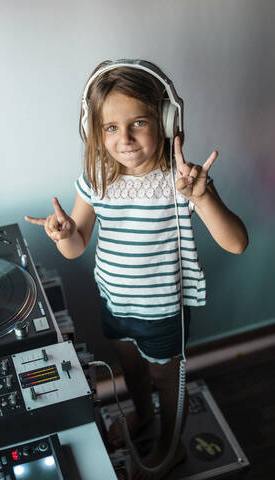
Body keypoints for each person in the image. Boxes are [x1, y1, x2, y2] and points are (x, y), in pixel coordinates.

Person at [25, 60, 248, 479]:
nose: (123, 139)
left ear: (165, 121)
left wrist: (203, 197)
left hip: (163, 311)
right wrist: (65, 233)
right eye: (110, 127)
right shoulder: (96, 178)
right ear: (95, 130)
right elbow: (76, 249)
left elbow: (236, 243)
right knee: (131, 369)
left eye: (138, 122)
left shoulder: (182, 180)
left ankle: (170, 445)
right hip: (115, 302)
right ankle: (143, 418)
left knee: (168, 381)